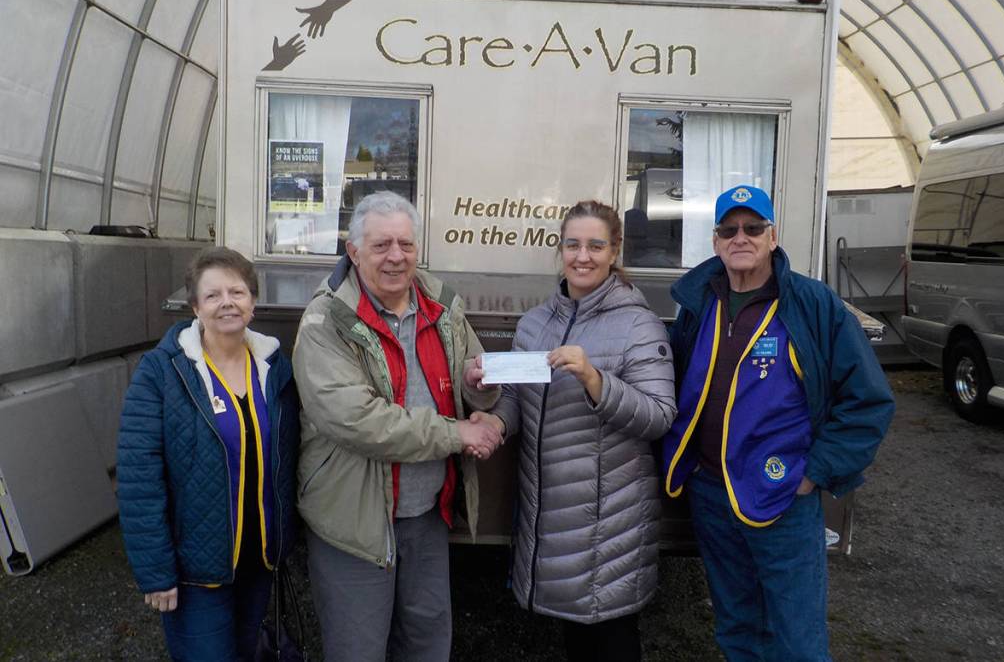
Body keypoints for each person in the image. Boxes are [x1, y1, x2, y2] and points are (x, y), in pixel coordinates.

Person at [661, 185, 895, 661]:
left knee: (797, 640)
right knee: (737, 627)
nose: (740, 237)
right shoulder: (699, 303)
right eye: (729, 229)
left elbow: (868, 401)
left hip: (783, 496)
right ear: (715, 241)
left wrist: (815, 473)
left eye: (753, 227)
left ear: (773, 236)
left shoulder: (811, 304)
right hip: (711, 494)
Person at [291, 191, 502, 662]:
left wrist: (482, 396)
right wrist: (457, 434)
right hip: (355, 517)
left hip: (426, 514)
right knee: (358, 649)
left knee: (427, 645)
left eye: (406, 244)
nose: (396, 257)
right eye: (381, 244)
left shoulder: (442, 306)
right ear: (353, 251)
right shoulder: (326, 321)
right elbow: (357, 421)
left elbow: (477, 384)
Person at [474, 201, 677, 662]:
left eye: (595, 245)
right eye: (573, 244)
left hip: (611, 521)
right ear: (560, 249)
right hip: (551, 517)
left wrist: (594, 379)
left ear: (614, 251)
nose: (582, 256)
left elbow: (659, 416)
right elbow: (517, 401)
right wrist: (492, 414)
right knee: (578, 641)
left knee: (611, 639)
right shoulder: (536, 322)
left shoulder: (638, 326)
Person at [117, 246, 300, 661]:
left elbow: (290, 458)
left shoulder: (274, 368)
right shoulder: (162, 371)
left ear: (252, 302)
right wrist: (155, 572)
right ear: (195, 306)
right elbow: (138, 478)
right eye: (213, 295)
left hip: (258, 558)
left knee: (244, 650)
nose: (227, 303)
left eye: (236, 292)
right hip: (195, 569)